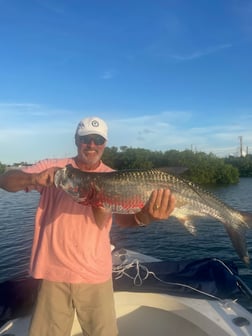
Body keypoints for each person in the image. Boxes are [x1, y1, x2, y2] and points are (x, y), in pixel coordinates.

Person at [0, 116, 176, 336]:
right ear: (76, 140)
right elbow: (6, 180)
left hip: (96, 276)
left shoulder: (112, 176)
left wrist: (147, 217)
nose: (91, 144)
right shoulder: (56, 170)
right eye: (85, 139)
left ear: (104, 143)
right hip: (53, 276)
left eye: (98, 139)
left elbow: (123, 220)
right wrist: (34, 178)